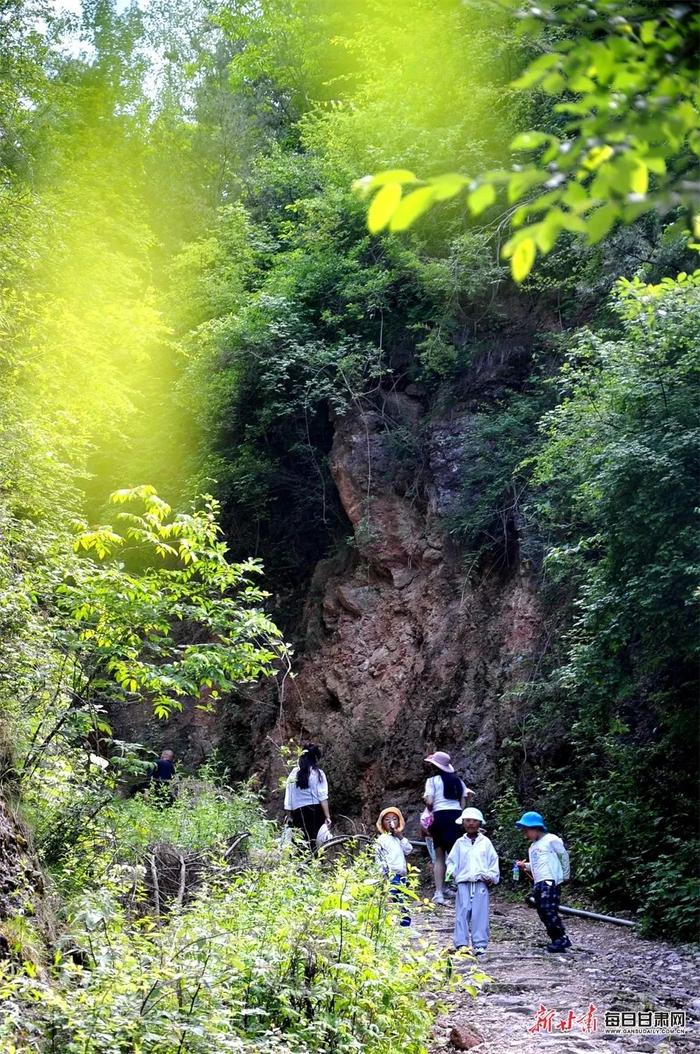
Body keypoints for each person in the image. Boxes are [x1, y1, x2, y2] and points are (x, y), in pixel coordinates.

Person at [515, 810, 571, 953]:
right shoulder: (532, 847)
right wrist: (524, 866)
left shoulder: (551, 839)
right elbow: (535, 866)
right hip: (538, 881)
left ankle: (561, 938)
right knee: (541, 910)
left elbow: (563, 856)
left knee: (549, 909)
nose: (525, 834)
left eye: (527, 830)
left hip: (550, 880)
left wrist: (565, 875)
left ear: (536, 828)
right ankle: (555, 939)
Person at [446, 807, 499, 955]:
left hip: (480, 882)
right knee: (462, 912)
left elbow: (493, 861)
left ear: (480, 823)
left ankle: (480, 944)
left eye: (474, 821)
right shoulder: (459, 843)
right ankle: (461, 944)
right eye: (468, 820)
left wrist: (491, 876)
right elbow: (451, 861)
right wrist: (454, 875)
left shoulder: (485, 842)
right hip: (463, 883)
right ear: (463, 822)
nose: (471, 824)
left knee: (480, 914)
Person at [423, 750, 474, 904]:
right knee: (457, 855)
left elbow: (430, 801)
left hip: (439, 817)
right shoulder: (459, 781)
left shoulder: (432, 781)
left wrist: (426, 800)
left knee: (439, 856)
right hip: (457, 817)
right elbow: (464, 801)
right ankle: (461, 890)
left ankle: (439, 892)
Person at [284, 744, 332, 845]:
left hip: (298, 813)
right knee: (316, 845)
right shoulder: (318, 773)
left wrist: (290, 816)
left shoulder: (293, 774)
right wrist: (327, 816)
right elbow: (322, 797)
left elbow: (288, 800)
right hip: (315, 812)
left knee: (301, 845)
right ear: (315, 758)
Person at [375, 807, 413, 926]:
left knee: (404, 899)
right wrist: (383, 874)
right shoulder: (382, 839)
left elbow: (408, 849)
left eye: (394, 819)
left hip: (403, 875)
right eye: (387, 819)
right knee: (394, 900)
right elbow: (379, 858)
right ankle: (395, 926)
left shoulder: (399, 839)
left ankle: (405, 925)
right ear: (382, 823)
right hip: (391, 875)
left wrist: (400, 836)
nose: (391, 822)